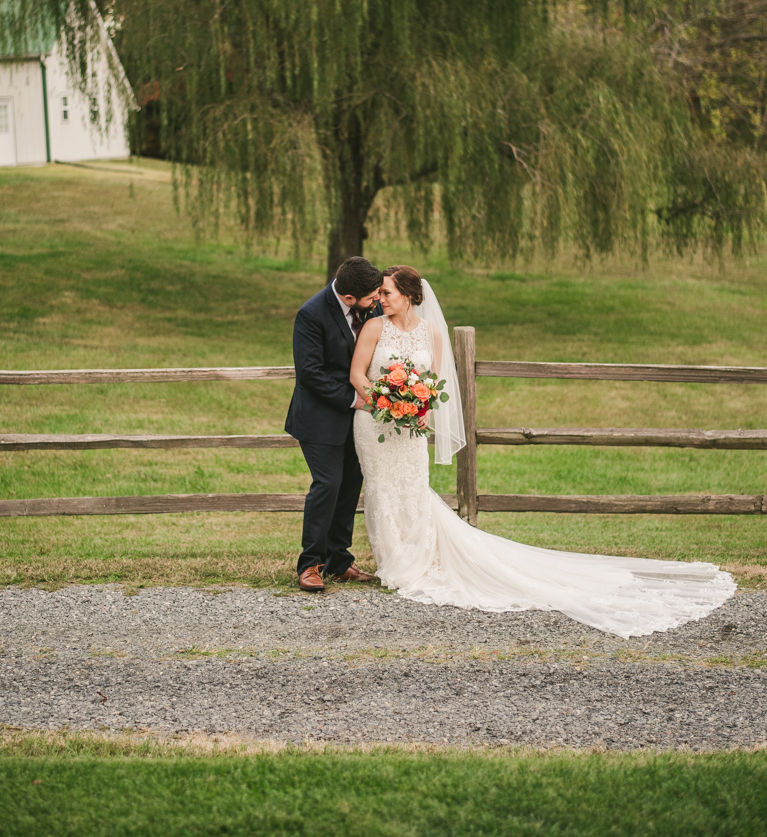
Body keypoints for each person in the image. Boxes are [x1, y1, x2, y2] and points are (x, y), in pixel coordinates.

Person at [350, 265, 736, 639]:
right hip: (374, 423)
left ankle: (413, 562)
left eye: (387, 292)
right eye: (380, 292)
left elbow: (432, 383)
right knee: (383, 487)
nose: (380, 298)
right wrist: (385, 405)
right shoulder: (374, 327)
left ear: (410, 296)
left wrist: (416, 408)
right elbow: (357, 375)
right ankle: (394, 562)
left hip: (411, 426)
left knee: (414, 488)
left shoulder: (433, 333)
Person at [285, 256, 383, 592]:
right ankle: (310, 564)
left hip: (359, 421)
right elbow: (310, 374)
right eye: (372, 297)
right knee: (327, 485)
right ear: (349, 297)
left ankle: (339, 561)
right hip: (319, 417)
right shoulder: (311, 314)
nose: (378, 301)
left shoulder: (372, 309)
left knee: (350, 486)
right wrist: (358, 399)